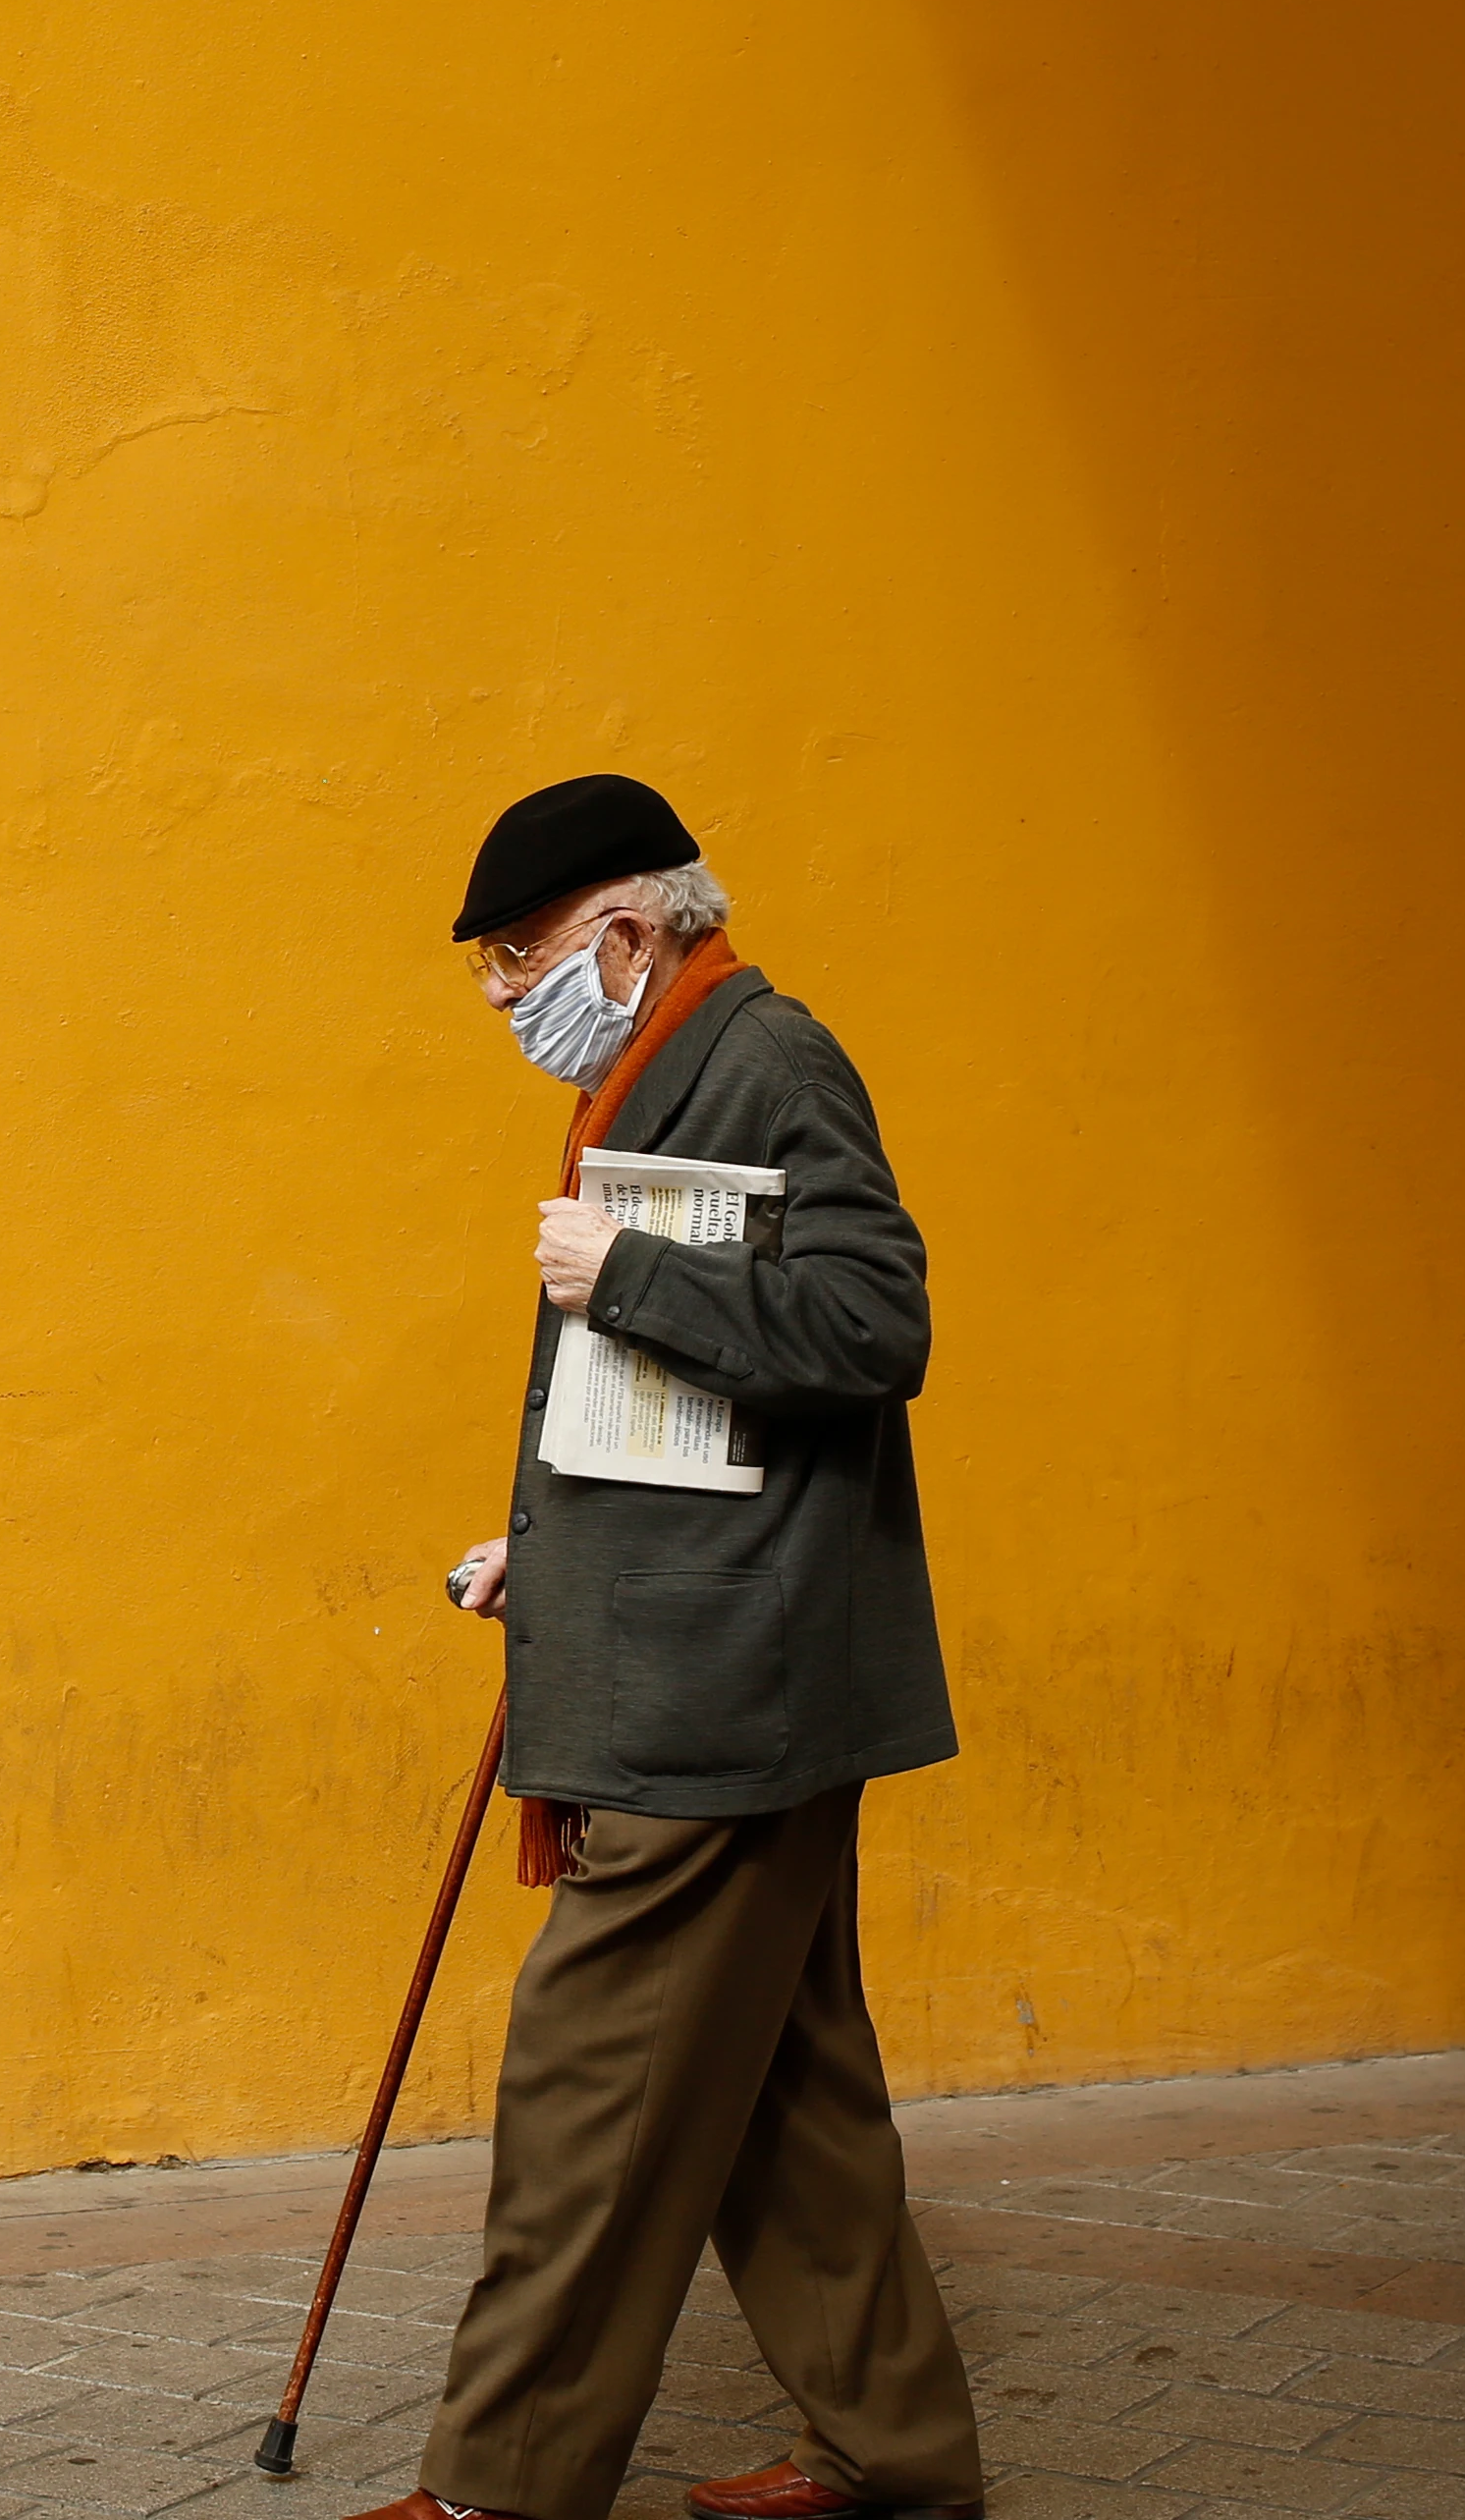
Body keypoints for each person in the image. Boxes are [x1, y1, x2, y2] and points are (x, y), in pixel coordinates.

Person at [357, 774, 985, 2520]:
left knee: (591, 2098)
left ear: (625, 932)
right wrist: (545, 1546)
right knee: (788, 2109)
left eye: (516, 959)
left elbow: (873, 1324)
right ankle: (898, 2463)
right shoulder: (659, 1067)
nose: (504, 998)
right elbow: (683, 1422)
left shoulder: (765, 1060)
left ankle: (507, 2488)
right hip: (697, 1648)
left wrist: (626, 1269)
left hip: (724, 1693)